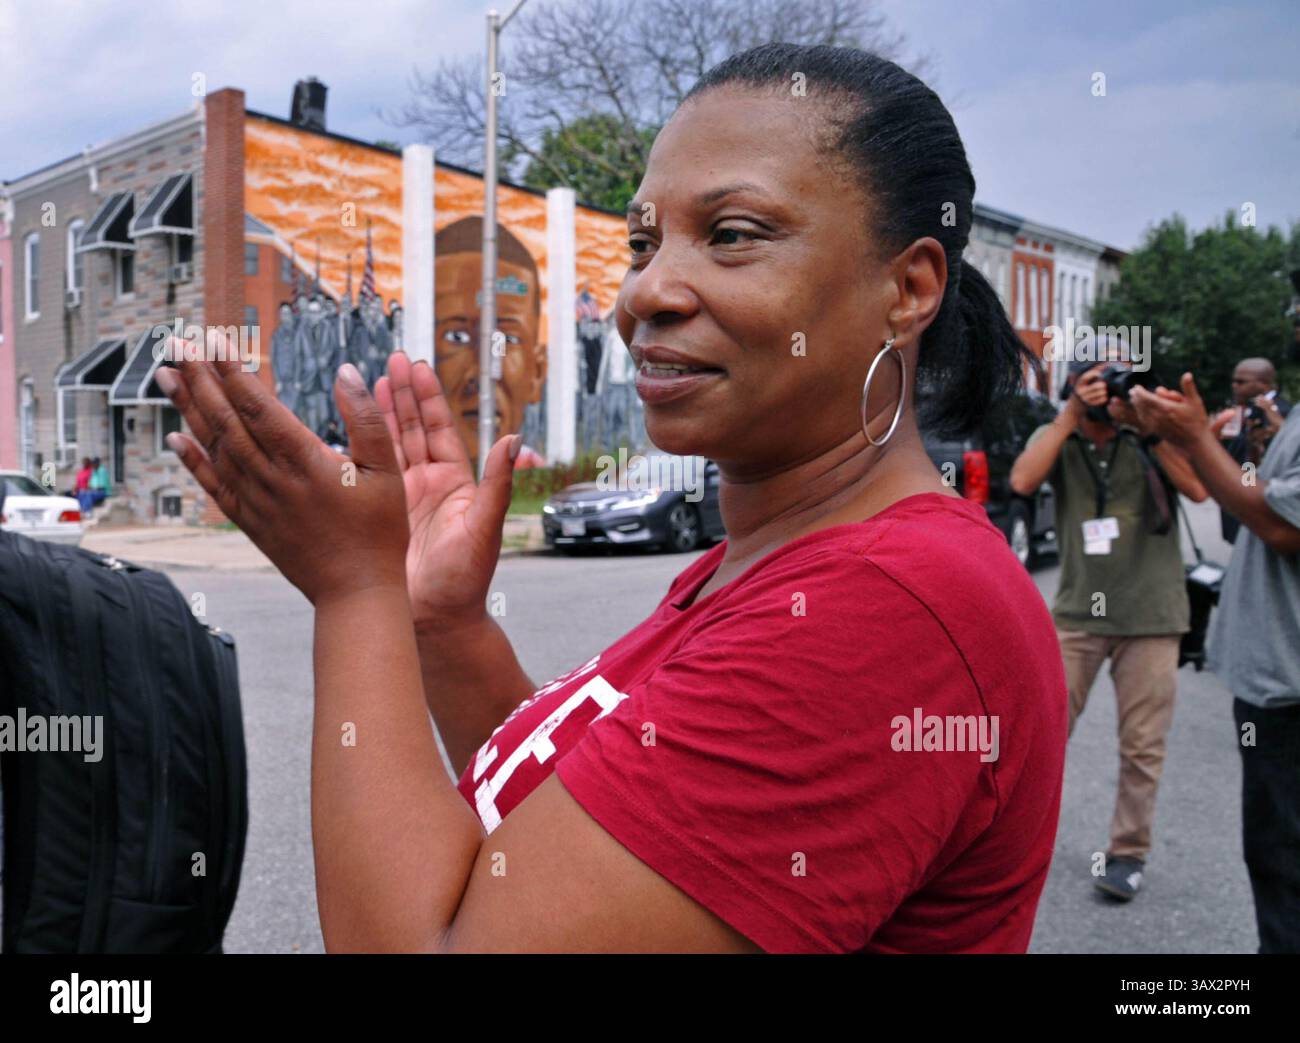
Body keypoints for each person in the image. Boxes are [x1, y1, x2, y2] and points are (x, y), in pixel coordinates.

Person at [155, 43, 1068, 953]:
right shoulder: (772, 562)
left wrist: (358, 593)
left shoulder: (886, 609)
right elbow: (564, 827)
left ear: (906, 289)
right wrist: (441, 623)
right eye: (643, 241)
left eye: (733, 235)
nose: (645, 292)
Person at [1010, 349, 1208, 901]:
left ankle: (1127, 854)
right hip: (1078, 614)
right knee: (1042, 738)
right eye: (1101, 380)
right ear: (1076, 385)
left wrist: (1148, 430)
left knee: (1142, 747)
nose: (1114, 389)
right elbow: (1023, 482)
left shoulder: (1148, 438)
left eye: (1122, 378)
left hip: (1152, 617)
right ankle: (1014, 846)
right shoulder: (1063, 435)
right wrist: (1071, 413)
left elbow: (1197, 489)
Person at [1132, 374, 1300, 954]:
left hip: (1287, 689)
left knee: (1282, 862)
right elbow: (1263, 495)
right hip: (1277, 683)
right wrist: (1251, 451)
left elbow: (1280, 525)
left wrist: (1190, 437)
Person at [433, 216, 546, 471]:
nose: (481, 375)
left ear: (537, 374)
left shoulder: (533, 468)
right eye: (456, 337)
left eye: (507, 338)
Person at [1211, 358, 1291, 543]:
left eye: (1241, 381)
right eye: (1233, 381)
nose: (1234, 386)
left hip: (1265, 494)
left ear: (1263, 384)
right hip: (1245, 481)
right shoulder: (1248, 409)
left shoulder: (1282, 412)